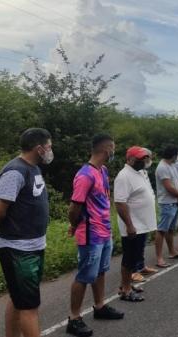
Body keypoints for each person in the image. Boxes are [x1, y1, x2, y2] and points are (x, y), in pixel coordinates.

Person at [0, 128, 52, 337]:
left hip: (33, 245)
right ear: (39, 148)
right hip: (18, 249)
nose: (50, 150)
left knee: (18, 298)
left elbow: (15, 207)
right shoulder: (15, 172)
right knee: (29, 307)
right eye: (49, 146)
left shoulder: (33, 168)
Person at [67, 134, 124, 337]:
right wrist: (74, 225)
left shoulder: (103, 170)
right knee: (85, 275)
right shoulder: (85, 175)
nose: (114, 152)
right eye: (113, 148)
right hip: (90, 233)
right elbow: (74, 207)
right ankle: (74, 318)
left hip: (104, 230)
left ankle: (100, 307)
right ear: (106, 149)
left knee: (100, 271)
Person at [114, 146, 157, 303]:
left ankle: (126, 285)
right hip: (133, 225)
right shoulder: (124, 176)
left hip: (141, 224)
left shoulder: (139, 173)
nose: (144, 161)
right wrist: (130, 225)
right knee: (129, 258)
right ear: (130, 159)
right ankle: (125, 290)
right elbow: (120, 203)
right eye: (141, 159)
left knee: (134, 257)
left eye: (145, 158)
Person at [155, 144, 178, 267]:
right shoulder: (162, 167)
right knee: (162, 230)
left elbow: (175, 182)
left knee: (171, 229)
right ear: (173, 155)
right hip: (166, 203)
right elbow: (168, 187)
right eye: (176, 155)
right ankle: (159, 258)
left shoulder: (171, 165)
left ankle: (172, 251)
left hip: (174, 201)